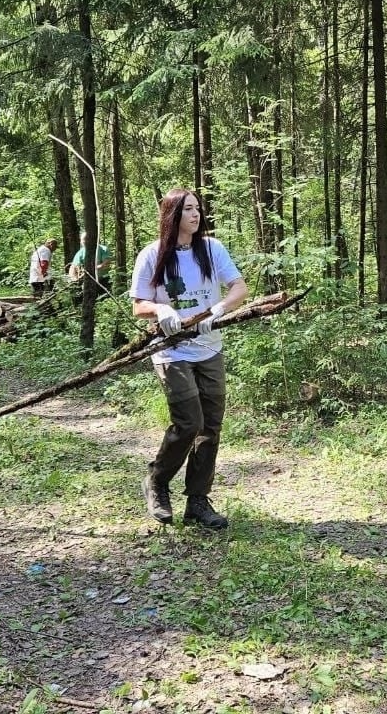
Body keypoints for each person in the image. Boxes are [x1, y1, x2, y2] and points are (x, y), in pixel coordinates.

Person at [132, 189, 248, 530]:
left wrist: (220, 308)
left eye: (198, 209)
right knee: (189, 423)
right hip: (171, 351)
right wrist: (161, 308)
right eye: (188, 210)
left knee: (210, 428)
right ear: (172, 215)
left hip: (209, 347)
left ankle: (198, 501)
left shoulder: (212, 249)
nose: (196, 215)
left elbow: (240, 288)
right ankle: (157, 480)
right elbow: (139, 305)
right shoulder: (152, 255)